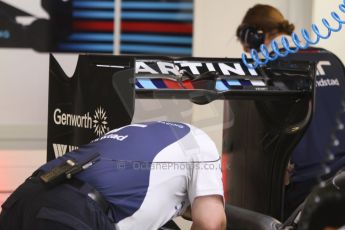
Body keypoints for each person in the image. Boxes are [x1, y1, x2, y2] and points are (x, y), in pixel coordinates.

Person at [0, 121, 226, 230]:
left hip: (29, 194)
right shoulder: (201, 144)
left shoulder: (137, 131)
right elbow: (210, 223)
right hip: (76, 214)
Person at [236, 4, 345, 220]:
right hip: (341, 181)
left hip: (300, 192)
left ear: (256, 37)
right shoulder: (331, 59)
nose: (249, 55)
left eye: (248, 49)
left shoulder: (270, 68)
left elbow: (256, 144)